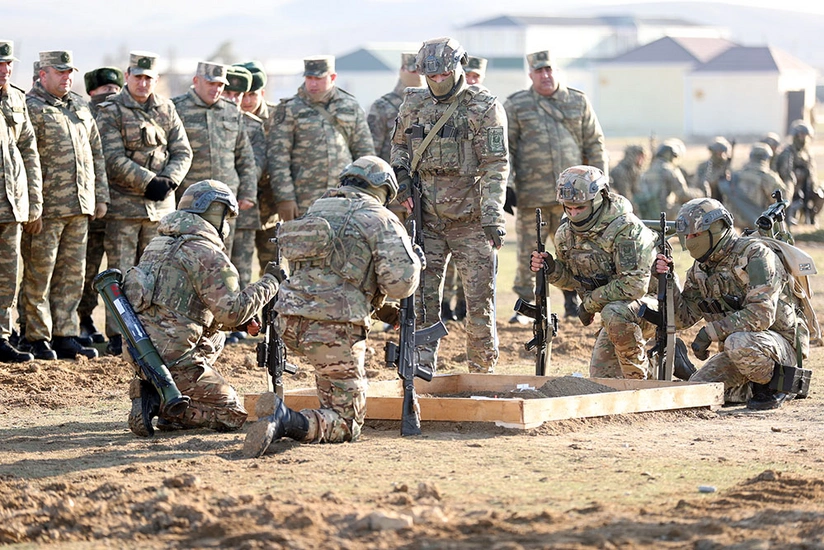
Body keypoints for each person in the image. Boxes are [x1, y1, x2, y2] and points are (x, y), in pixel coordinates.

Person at [242, 156, 420, 456]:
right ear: (383, 190)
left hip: (289, 321)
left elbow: (331, 277)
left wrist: (380, 307)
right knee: (347, 423)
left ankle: (293, 412)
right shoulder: (380, 218)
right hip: (333, 331)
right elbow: (400, 284)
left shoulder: (316, 210)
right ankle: (285, 420)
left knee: (332, 382)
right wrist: (415, 261)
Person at [122, 180, 281, 436]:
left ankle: (164, 392)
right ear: (215, 214)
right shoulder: (206, 253)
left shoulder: (158, 245)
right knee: (232, 414)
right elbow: (231, 312)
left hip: (140, 353)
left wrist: (241, 324)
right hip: (172, 358)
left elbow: (183, 305)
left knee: (216, 337)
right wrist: (271, 282)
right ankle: (162, 403)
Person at [391, 36, 509, 374]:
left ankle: (482, 375)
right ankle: (420, 372)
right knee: (422, 303)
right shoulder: (413, 103)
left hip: (471, 222)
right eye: (432, 77)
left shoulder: (482, 106)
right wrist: (402, 181)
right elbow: (398, 148)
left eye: (445, 74)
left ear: (459, 67)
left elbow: (496, 164)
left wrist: (492, 216)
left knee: (479, 304)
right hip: (426, 220)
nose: (439, 81)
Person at [654, 198, 809, 409]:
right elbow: (683, 318)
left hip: (777, 348)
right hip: (738, 352)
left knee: (737, 342)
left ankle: (777, 386)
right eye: (687, 236)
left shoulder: (756, 255)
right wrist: (667, 279)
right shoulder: (700, 270)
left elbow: (761, 315)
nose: (689, 241)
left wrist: (710, 332)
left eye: (695, 235)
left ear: (716, 230)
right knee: (698, 392)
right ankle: (748, 387)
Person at [95, 51, 193, 356]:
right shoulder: (111, 110)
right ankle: (119, 335)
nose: (142, 83)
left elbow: (183, 151)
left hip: (160, 211)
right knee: (121, 274)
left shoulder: (166, 108)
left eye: (148, 78)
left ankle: (152, 334)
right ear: (127, 76)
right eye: (137, 77)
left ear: (156, 79)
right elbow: (112, 157)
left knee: (157, 276)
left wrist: (169, 180)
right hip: (124, 209)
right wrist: (148, 182)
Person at [505, 49, 608, 321]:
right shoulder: (517, 105)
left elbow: (594, 144)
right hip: (532, 196)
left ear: (556, 71)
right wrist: (507, 184)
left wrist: (601, 184)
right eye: (539, 71)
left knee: (576, 252)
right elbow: (506, 149)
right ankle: (526, 305)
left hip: (576, 199)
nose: (545, 75)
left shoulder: (577, 101)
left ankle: (576, 303)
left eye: (549, 69)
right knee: (529, 254)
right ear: (531, 75)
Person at [21, 50, 109, 360]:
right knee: (39, 275)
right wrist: (31, 205)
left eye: (69, 72)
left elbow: (96, 153)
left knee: (72, 276)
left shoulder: (80, 107)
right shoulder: (30, 107)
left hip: (79, 207)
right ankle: (35, 336)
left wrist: (100, 195)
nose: (66, 77)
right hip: (46, 209)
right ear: (43, 75)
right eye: (60, 72)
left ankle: (65, 334)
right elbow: (24, 158)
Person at [530, 166, 657, 379]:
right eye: (568, 208)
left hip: (651, 307)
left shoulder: (626, 230)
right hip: (615, 314)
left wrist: (589, 305)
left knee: (614, 314)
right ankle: (658, 369)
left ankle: (640, 385)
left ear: (598, 199)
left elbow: (634, 286)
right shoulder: (565, 234)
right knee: (602, 378)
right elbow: (574, 281)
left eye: (580, 207)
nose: (573, 214)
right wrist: (551, 269)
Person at [267, 55, 375, 222]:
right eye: (309, 78)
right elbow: (278, 157)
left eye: (318, 78)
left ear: (332, 77)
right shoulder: (289, 109)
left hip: (344, 196)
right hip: (305, 199)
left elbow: (365, 153)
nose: (313, 84)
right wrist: (285, 198)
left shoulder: (350, 106)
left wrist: (366, 193)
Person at [172, 61, 257, 256]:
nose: (216, 89)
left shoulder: (231, 111)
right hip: (189, 202)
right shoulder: (177, 108)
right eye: (211, 83)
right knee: (187, 254)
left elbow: (244, 155)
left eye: (220, 84)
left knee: (221, 255)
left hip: (224, 201)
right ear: (196, 81)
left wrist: (248, 193)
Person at [0, 39, 42, 363]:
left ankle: (1, 336)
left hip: (12, 203)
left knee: (7, 275)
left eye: (9, 63)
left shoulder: (16, 98)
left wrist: (34, 201)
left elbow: (28, 149)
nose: (5, 69)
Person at [78, 66, 124, 344]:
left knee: (121, 271)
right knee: (87, 269)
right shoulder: (84, 115)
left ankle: (122, 326)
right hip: (93, 208)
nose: (111, 94)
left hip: (124, 207)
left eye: (116, 89)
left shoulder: (123, 114)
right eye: (106, 89)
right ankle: (83, 319)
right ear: (92, 91)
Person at [236, 60, 280, 277]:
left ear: (262, 93)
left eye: (252, 95)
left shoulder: (278, 117)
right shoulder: (231, 119)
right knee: (239, 269)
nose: (246, 101)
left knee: (273, 269)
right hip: (241, 209)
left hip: (271, 208)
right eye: (242, 95)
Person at [636, 139, 702, 220]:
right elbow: (682, 194)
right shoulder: (669, 170)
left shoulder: (648, 170)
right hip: (665, 214)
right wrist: (699, 194)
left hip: (648, 215)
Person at [722, 143, 786, 227]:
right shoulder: (768, 177)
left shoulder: (737, 174)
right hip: (761, 222)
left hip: (737, 222)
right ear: (767, 158)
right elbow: (782, 199)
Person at [776, 120, 821, 225]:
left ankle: (811, 217)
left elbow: (812, 171)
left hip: (806, 184)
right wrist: (798, 176)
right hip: (793, 183)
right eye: (801, 135)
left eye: (806, 135)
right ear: (795, 135)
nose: (804, 138)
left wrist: (813, 184)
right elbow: (785, 172)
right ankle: (786, 219)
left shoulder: (807, 153)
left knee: (820, 194)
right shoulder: (788, 152)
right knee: (788, 192)